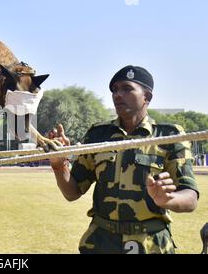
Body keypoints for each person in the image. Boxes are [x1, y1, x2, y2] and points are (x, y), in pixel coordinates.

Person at [49, 65, 199, 254]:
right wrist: (59, 164)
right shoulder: (98, 135)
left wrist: (167, 199)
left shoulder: (170, 135)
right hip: (101, 242)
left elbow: (191, 198)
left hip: (151, 245)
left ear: (147, 97)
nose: (117, 95)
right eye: (115, 89)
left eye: (127, 88)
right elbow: (72, 192)